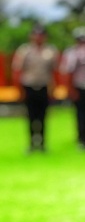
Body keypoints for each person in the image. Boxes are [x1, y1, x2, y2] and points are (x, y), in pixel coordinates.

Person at [12, 24, 59, 152]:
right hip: (29, 87)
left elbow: (54, 72)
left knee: (43, 116)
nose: (38, 38)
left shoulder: (50, 51)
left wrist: (53, 89)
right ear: (31, 36)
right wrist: (19, 90)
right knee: (30, 117)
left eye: (41, 35)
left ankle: (43, 143)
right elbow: (17, 71)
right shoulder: (24, 51)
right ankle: (32, 143)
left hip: (44, 87)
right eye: (36, 35)